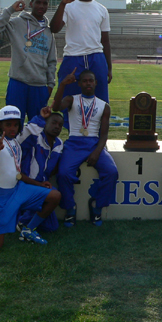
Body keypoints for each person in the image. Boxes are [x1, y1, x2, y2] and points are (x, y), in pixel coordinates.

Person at [0, 106, 61, 249]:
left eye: (15, 125)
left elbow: (17, 174)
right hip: (1, 195)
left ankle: (28, 229)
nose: (12, 128)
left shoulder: (16, 143)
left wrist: (38, 184)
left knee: (55, 195)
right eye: (8, 125)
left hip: (18, 189)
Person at [51, 68, 118, 227]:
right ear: (80, 83)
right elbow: (55, 108)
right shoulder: (71, 99)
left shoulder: (104, 106)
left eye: (91, 80)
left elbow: (103, 135)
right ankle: (70, 208)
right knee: (63, 173)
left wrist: (96, 152)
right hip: (74, 142)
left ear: (96, 83)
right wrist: (62, 85)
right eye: (85, 81)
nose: (88, 83)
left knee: (112, 172)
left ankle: (97, 206)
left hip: (95, 143)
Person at [50, 0, 112, 121]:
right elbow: (54, 28)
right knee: (68, 96)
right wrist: (63, 4)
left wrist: (109, 67)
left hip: (96, 56)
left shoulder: (101, 9)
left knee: (100, 97)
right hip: (73, 57)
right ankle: (73, 133)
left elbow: (106, 41)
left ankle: (97, 135)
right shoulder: (69, 6)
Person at [0, 0, 57, 123]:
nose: (41, 6)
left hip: (39, 85)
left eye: (45, 3)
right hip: (18, 82)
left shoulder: (48, 32)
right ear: (31, 4)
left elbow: (52, 61)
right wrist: (10, 10)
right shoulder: (17, 23)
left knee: (37, 127)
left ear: (48, 6)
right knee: (13, 124)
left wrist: (50, 85)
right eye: (38, 2)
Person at [17, 107, 65, 233]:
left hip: (42, 186)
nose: (57, 127)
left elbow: (53, 169)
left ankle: (25, 221)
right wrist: (40, 118)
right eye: (53, 122)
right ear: (45, 124)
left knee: (51, 227)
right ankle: (26, 227)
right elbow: (23, 138)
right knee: (54, 195)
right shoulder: (34, 138)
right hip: (26, 183)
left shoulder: (59, 144)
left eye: (60, 125)